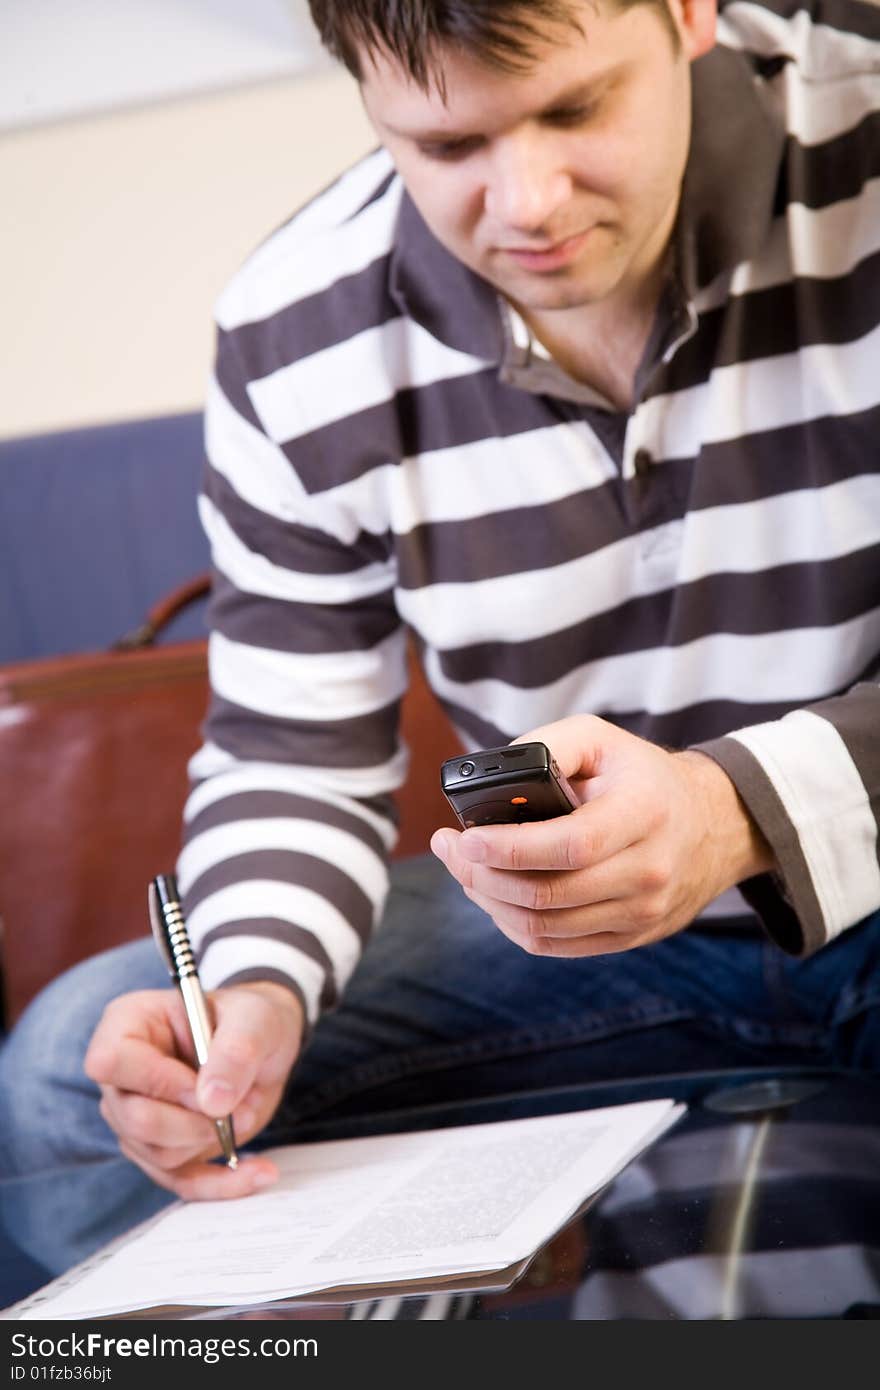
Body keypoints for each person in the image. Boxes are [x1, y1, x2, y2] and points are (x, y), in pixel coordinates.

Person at [2, 0, 879, 1282]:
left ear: (689, 11)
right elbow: (292, 751)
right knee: (72, 1080)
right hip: (572, 951)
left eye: (575, 110)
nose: (526, 202)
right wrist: (247, 991)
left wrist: (734, 810)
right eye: (448, 144)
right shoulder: (295, 332)